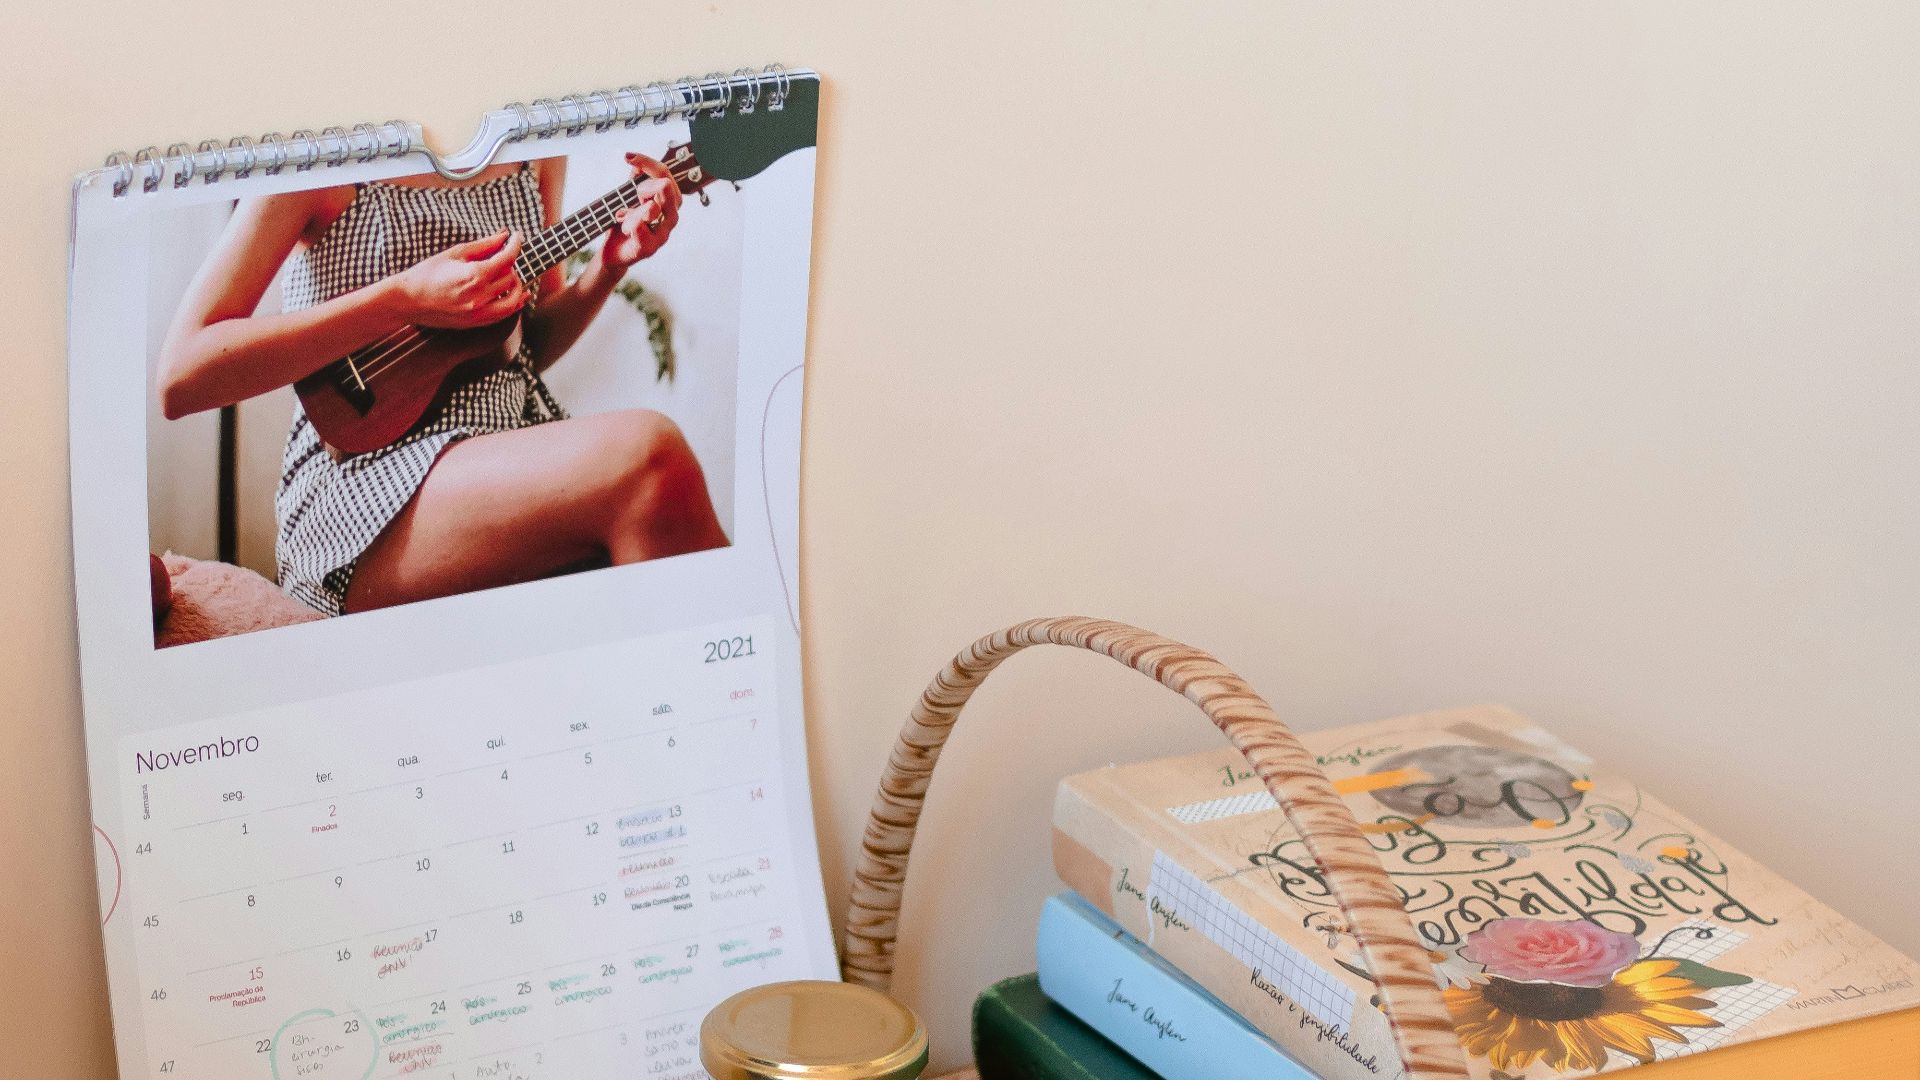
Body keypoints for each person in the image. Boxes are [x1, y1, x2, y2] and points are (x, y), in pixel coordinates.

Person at [156, 152, 728, 616]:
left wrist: (608, 266)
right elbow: (182, 376)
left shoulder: (535, 154)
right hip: (362, 484)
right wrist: (400, 298)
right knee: (651, 459)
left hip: (506, 446)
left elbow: (523, 347)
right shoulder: (324, 160)